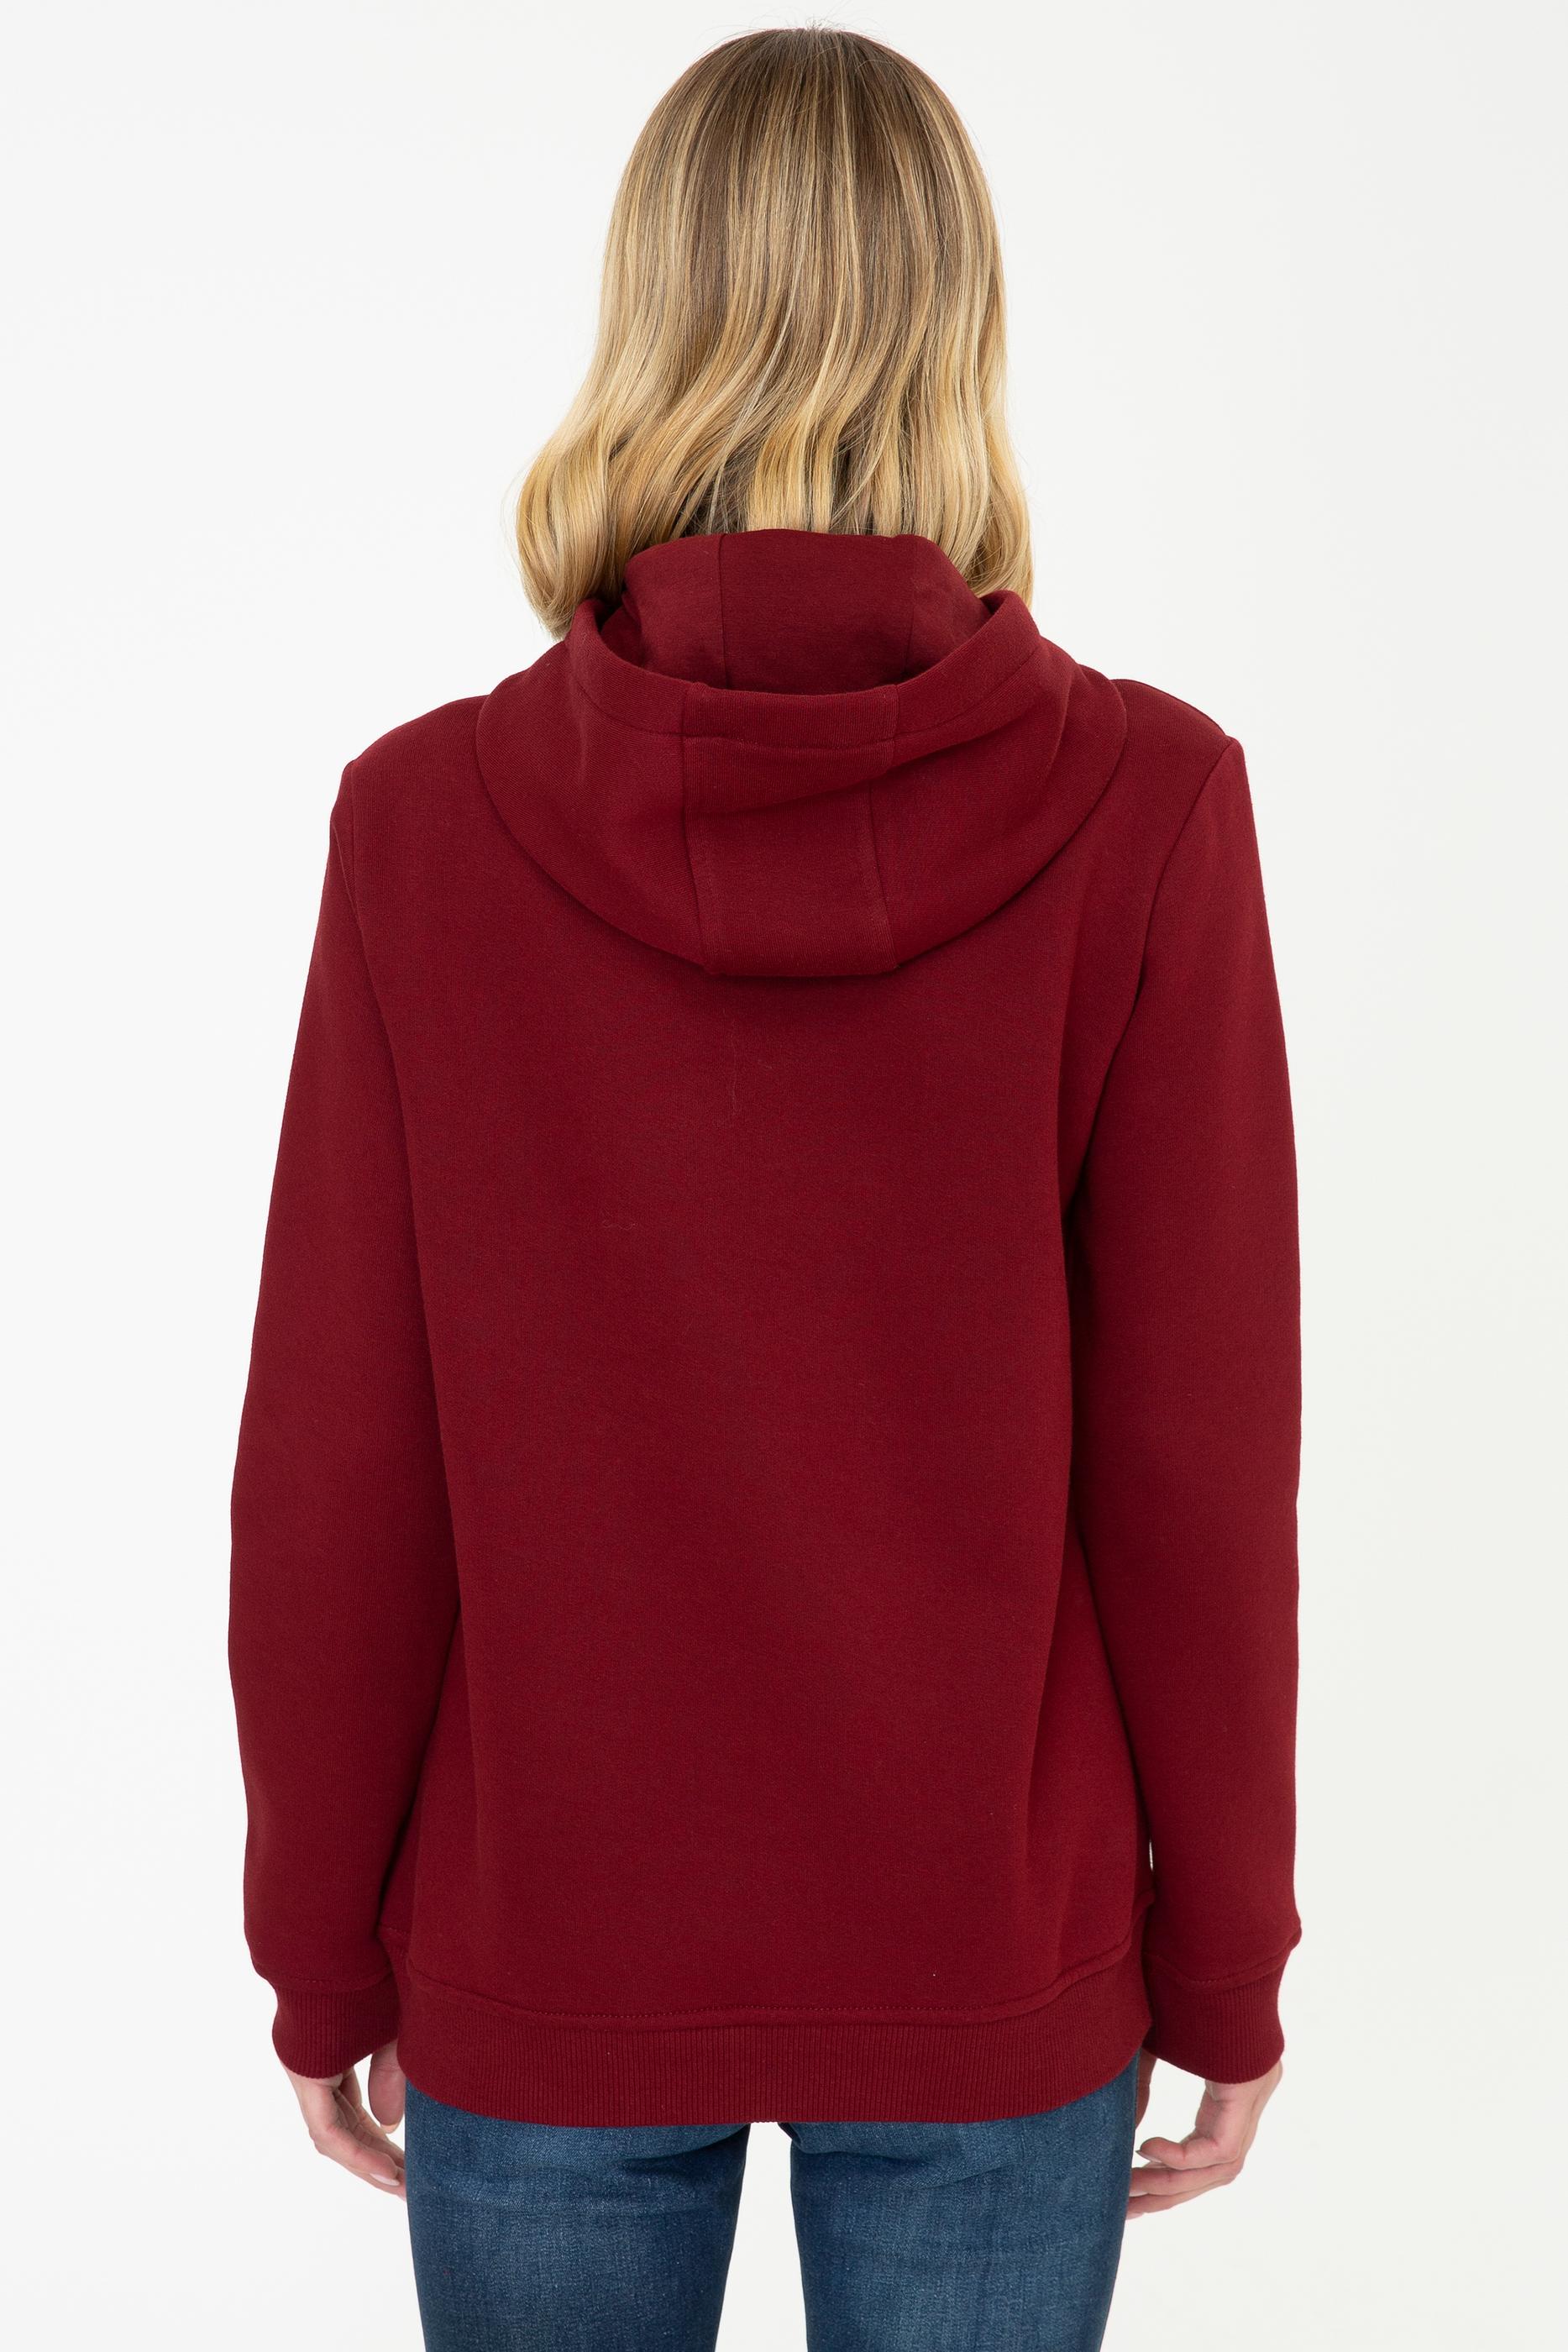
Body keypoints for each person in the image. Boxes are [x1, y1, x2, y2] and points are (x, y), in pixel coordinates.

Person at [229, 26, 1300, 2350]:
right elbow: (1199, 1458)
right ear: (961, 328)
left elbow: (337, 1457)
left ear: (648, 317)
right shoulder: (1144, 806)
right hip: (992, 1954)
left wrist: (318, 1944)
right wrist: (1223, 1951)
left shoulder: (427, 825)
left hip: (548, 1943)